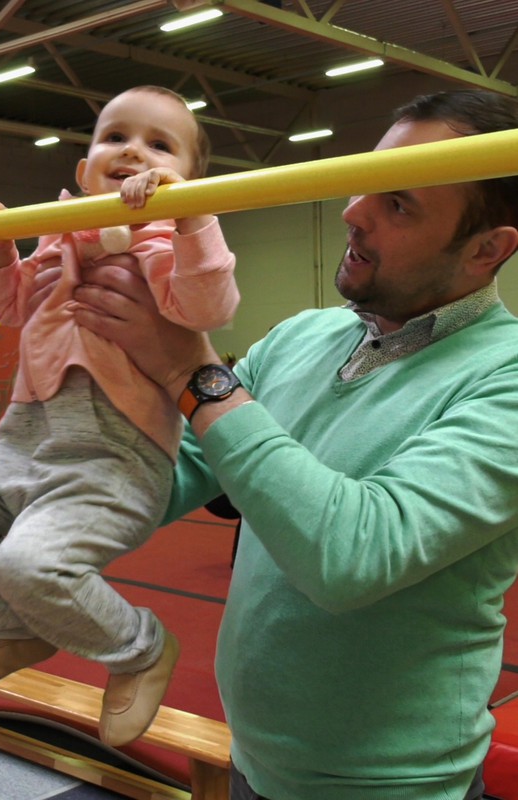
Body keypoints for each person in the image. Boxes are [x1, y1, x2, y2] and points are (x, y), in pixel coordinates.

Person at [69, 89, 518, 799]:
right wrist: (31, 484)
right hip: (254, 762)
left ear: (486, 250)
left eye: (396, 204)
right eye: (363, 183)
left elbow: (353, 555)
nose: (352, 211)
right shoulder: (302, 335)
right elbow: (171, 472)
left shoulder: (507, 378)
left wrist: (191, 368)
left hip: (394, 787)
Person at [0, 85, 239, 747]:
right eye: (114, 136)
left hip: (111, 459)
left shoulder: (158, 239)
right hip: (25, 449)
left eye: (159, 145)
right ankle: (15, 629)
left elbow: (206, 307)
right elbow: (12, 309)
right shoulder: (57, 231)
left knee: (29, 566)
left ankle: (141, 650)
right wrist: (4, 248)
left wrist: (190, 215)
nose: (132, 151)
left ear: (185, 175)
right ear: (82, 166)